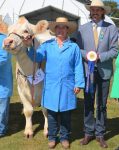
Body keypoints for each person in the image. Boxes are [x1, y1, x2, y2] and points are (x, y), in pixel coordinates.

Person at [26, 17, 85, 149]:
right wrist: (29, 46)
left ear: (67, 30)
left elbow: (78, 66)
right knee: (51, 114)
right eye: (58, 27)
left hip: (67, 85)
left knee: (65, 115)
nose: (60, 30)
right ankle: (52, 138)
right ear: (54, 30)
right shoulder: (47, 45)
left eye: (63, 27)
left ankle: (64, 137)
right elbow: (37, 57)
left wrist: (79, 83)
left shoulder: (74, 47)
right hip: (51, 85)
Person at [77, 0, 119, 148]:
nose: (95, 12)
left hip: (104, 72)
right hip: (88, 72)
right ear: (90, 11)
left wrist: (100, 56)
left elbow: (115, 50)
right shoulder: (82, 29)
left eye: (98, 10)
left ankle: (100, 134)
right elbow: (78, 49)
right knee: (88, 103)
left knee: (101, 105)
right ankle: (88, 132)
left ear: (103, 12)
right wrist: (87, 55)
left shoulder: (111, 29)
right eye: (93, 9)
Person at [0, 19, 13, 137]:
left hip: (2, 83)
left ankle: (1, 130)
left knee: (2, 110)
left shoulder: (4, 40)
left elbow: (3, 59)